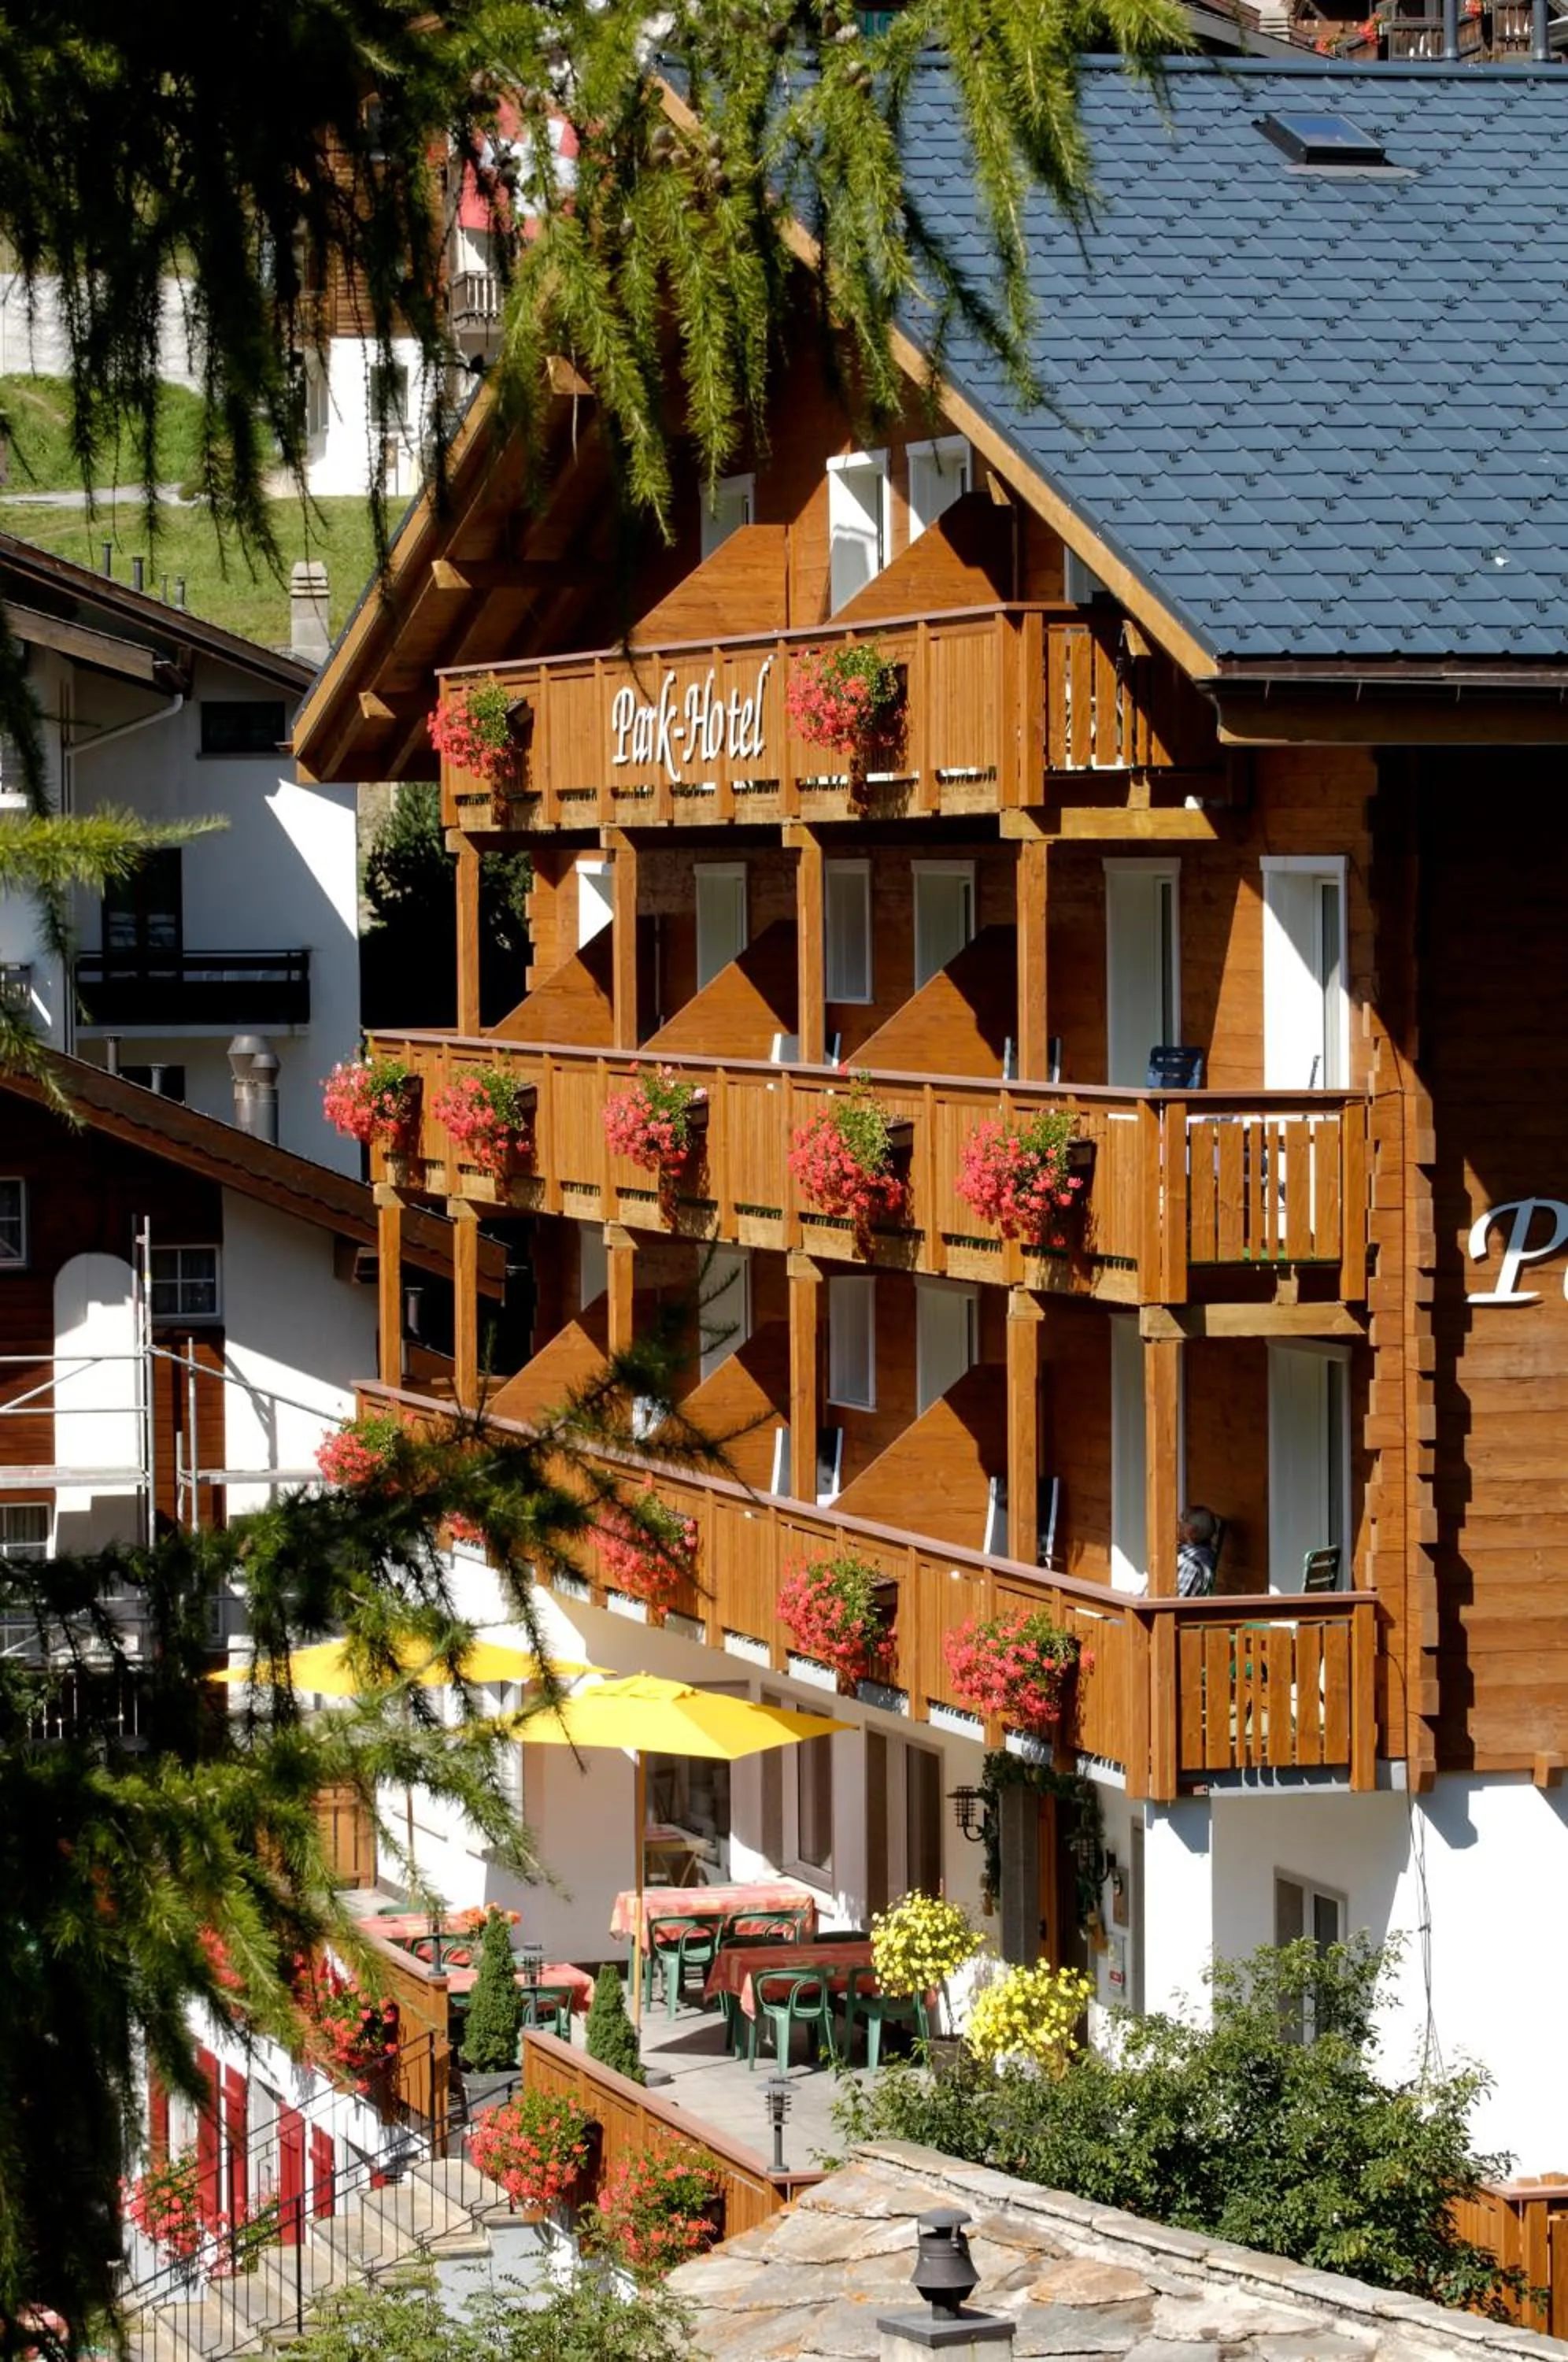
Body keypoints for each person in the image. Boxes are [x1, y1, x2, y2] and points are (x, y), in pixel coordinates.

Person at [1176, 1505, 1220, 1597]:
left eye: (1183, 1520)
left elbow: (1170, 1602)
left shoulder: (1192, 1565)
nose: (1178, 1523)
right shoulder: (1184, 1552)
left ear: (1192, 1531)